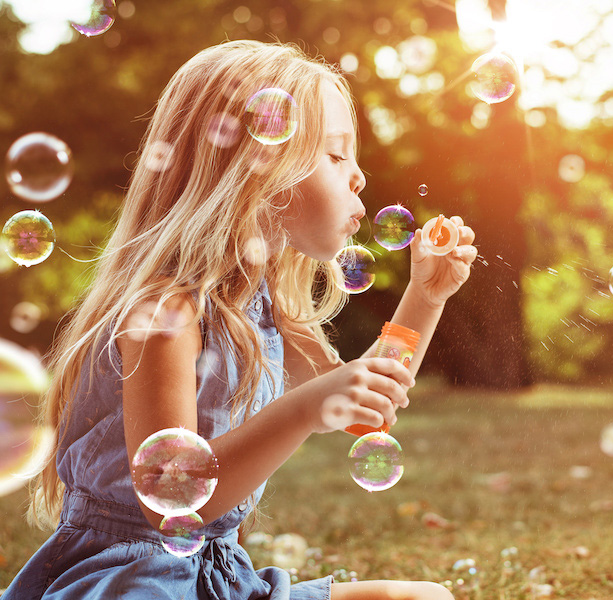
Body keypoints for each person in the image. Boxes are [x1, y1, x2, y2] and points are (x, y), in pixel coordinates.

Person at [4, 40, 476, 600]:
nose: (359, 179)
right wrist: (306, 407)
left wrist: (426, 298)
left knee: (426, 598)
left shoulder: (270, 314)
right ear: (256, 170)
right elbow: (170, 499)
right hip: (132, 579)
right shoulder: (165, 315)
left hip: (219, 575)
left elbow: (364, 413)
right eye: (335, 154)